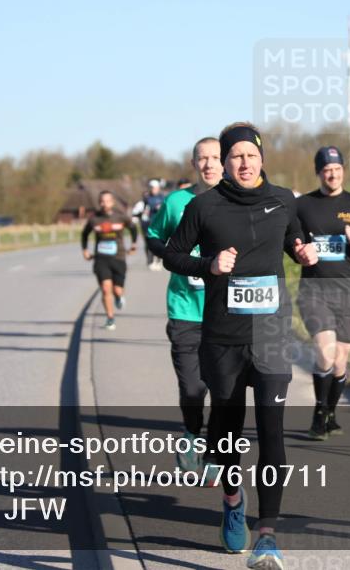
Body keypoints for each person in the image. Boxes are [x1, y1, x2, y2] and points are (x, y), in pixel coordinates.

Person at [163, 122, 318, 570]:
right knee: (226, 434)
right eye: (235, 157)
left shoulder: (285, 200)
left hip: (270, 334)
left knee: (272, 431)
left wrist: (303, 252)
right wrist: (209, 264)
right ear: (225, 163)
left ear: (262, 158)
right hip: (224, 338)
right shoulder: (204, 206)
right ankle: (233, 500)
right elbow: (173, 253)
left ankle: (267, 533)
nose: (244, 163)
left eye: (251, 155)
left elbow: (294, 241)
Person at [146, 137, 223, 472]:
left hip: (225, 311)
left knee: (223, 390)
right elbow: (153, 234)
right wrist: (171, 257)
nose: (208, 164)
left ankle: (216, 452)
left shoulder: (235, 201)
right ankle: (191, 432)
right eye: (202, 158)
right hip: (185, 309)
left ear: (225, 162)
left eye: (214, 158)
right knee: (193, 388)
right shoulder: (177, 201)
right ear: (194, 164)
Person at [295, 146, 350, 440]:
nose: (332, 174)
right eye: (327, 169)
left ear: (343, 170)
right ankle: (319, 413)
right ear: (319, 172)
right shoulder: (303, 205)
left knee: (341, 360)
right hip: (314, 290)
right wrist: (299, 250)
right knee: (325, 352)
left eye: (337, 169)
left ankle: (330, 413)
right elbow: (290, 239)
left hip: (349, 293)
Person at [81, 190, 138, 330]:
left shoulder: (121, 217)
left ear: (112, 202)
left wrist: (134, 244)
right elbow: (84, 234)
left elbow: (133, 229)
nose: (104, 203)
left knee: (117, 290)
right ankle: (110, 318)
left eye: (107, 201)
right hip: (101, 259)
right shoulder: (94, 219)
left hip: (118, 257)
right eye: (101, 201)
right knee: (106, 290)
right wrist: (85, 250)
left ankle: (119, 297)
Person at [140, 179, 166, 270]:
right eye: (152, 188)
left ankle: (158, 260)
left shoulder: (162, 197)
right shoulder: (147, 198)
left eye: (155, 188)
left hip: (160, 223)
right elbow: (144, 208)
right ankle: (150, 260)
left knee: (160, 242)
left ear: (158, 188)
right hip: (149, 223)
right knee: (149, 241)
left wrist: (161, 207)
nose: (154, 190)